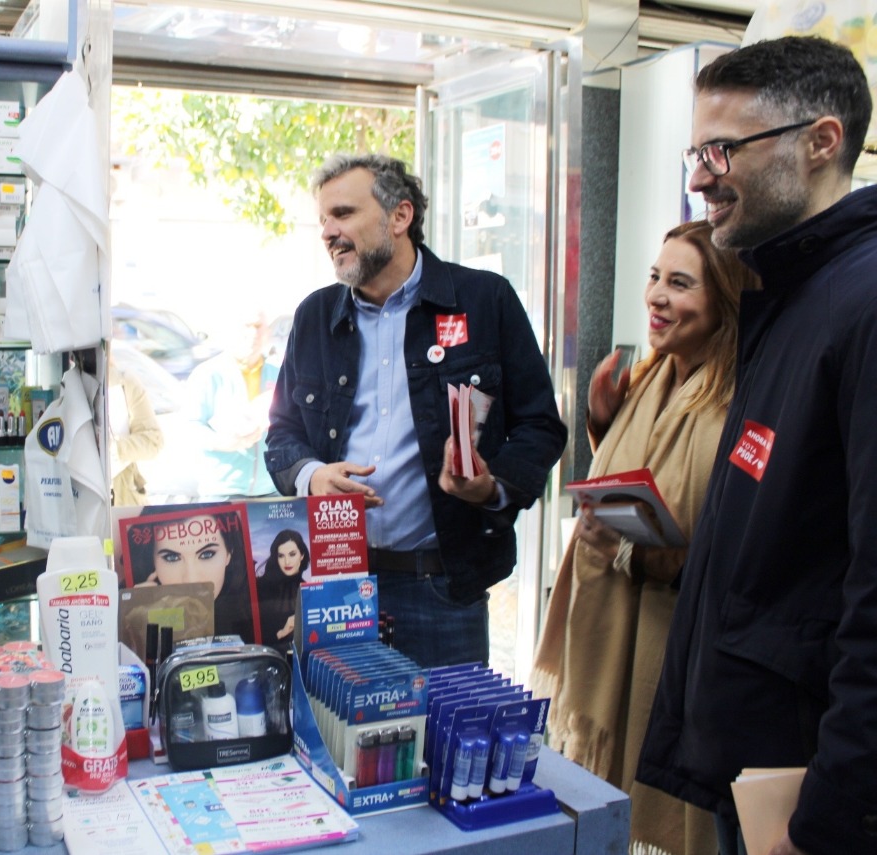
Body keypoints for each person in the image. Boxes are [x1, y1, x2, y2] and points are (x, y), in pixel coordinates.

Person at [636, 37, 877, 855]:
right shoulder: (790, 291)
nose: (700, 179)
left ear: (821, 141)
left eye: (722, 151)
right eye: (695, 154)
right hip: (758, 759)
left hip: (812, 790)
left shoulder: (861, 300)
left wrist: (831, 814)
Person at [265, 153, 567, 668]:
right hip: (337, 586)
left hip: (443, 592)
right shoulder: (314, 316)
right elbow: (281, 435)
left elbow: (540, 425)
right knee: (336, 722)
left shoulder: (484, 301)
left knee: (445, 724)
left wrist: (490, 487)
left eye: (343, 214)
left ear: (400, 216)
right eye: (323, 220)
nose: (329, 232)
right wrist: (312, 475)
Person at [532, 220, 758, 855]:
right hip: (610, 620)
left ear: (725, 299)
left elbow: (726, 535)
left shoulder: (740, 400)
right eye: (655, 277)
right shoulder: (649, 380)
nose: (656, 296)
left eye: (680, 283)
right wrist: (604, 426)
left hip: (676, 644)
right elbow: (640, 482)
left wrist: (644, 554)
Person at [123, 508, 256, 642]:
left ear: (228, 553)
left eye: (207, 554)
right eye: (172, 558)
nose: (191, 579)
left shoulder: (255, 608)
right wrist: (138, 626)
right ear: (152, 563)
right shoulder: (133, 609)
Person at [185, 313, 279, 500]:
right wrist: (222, 442)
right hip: (221, 493)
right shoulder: (207, 374)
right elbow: (190, 427)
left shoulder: (279, 374)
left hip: (272, 491)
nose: (253, 333)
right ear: (230, 331)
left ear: (268, 333)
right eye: (247, 326)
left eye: (258, 326)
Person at [108, 360, 164, 506]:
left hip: (121, 497)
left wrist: (116, 448)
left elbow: (154, 440)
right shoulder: (68, 383)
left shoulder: (123, 381)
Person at [256, 528, 310, 655]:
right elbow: (251, 636)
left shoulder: (309, 591)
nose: (287, 562)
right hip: (269, 657)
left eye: (292, 554)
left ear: (302, 555)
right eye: (281, 556)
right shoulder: (261, 588)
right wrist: (283, 632)